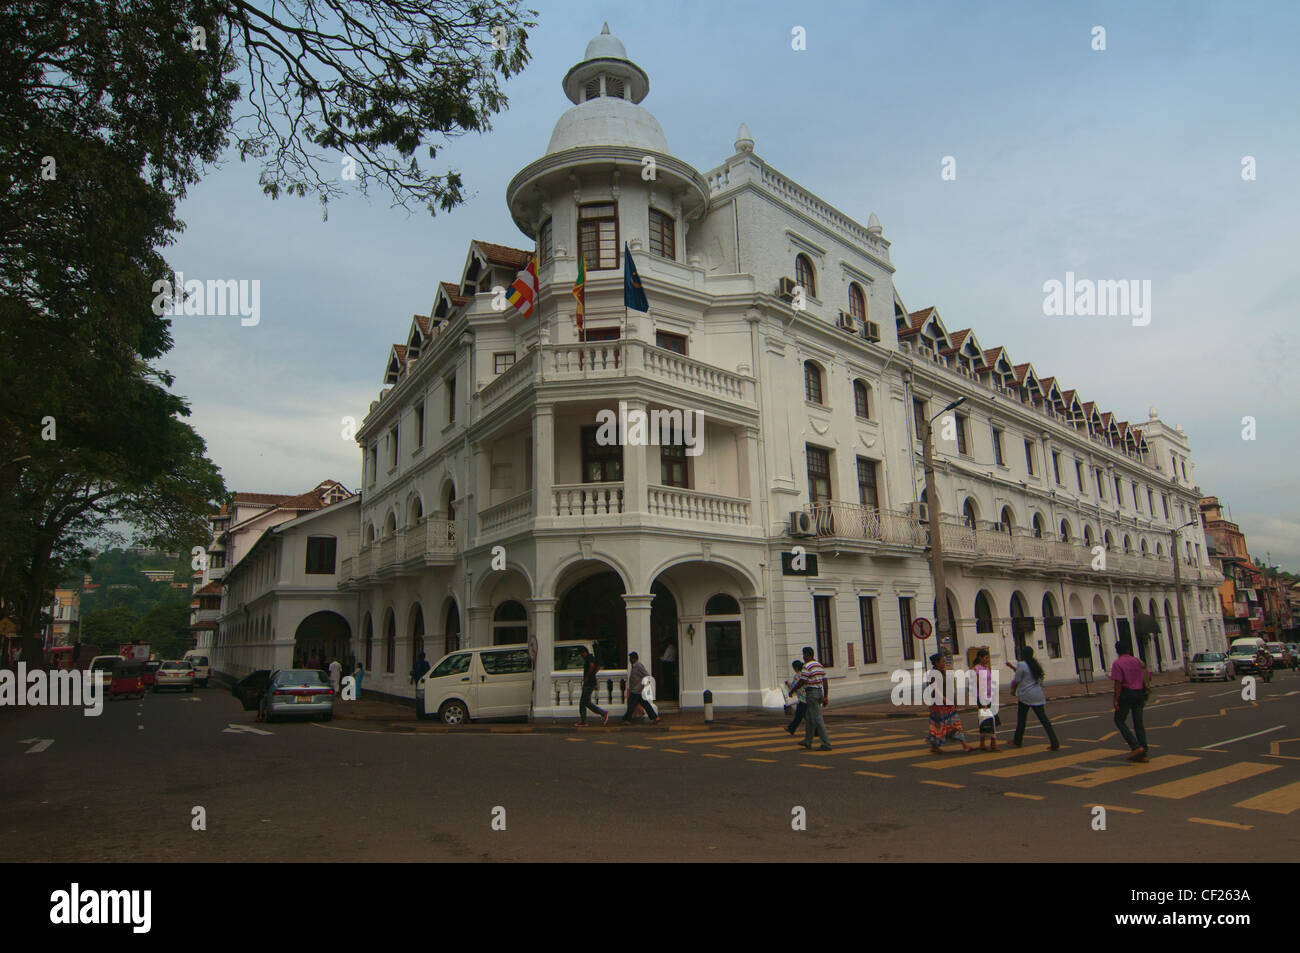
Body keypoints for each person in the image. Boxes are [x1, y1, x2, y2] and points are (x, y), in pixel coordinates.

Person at [1007, 645, 1059, 750]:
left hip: (1026, 696)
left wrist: (1013, 690)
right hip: (1037, 695)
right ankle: (1054, 742)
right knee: (1044, 720)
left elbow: (1017, 680)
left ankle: (1017, 741)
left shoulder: (1022, 664)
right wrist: (1012, 667)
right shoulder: (1035, 665)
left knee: (1021, 720)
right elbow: (1026, 675)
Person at [926, 653, 972, 754]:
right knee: (939, 726)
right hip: (938, 705)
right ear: (937, 663)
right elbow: (934, 688)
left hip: (948, 704)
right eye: (943, 661)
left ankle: (965, 744)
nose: (945, 663)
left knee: (955, 723)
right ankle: (935, 746)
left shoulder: (943, 672)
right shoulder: (933, 674)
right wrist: (943, 698)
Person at [1110, 638, 1148, 762]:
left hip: (1127, 694)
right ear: (1128, 649)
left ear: (1117, 651)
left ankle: (1135, 746)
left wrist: (1115, 699)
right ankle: (1143, 751)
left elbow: (1118, 684)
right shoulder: (1137, 661)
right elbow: (1148, 676)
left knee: (1119, 720)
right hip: (1140, 693)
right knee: (1139, 723)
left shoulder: (1118, 663)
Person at [788, 646, 831, 750]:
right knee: (809, 717)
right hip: (819, 692)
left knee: (817, 718)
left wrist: (792, 690)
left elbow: (802, 681)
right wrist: (825, 696)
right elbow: (824, 681)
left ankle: (826, 743)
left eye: (804, 654)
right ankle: (808, 740)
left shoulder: (807, 666)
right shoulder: (819, 665)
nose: (803, 657)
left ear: (807, 655)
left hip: (811, 693)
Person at [575, 646, 610, 726]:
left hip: (589, 683)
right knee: (587, 702)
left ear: (584, 652)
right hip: (592, 682)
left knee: (582, 703)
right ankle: (603, 713)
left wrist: (588, 676)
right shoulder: (592, 657)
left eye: (581, 654)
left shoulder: (588, 658)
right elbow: (597, 667)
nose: (581, 656)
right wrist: (593, 674)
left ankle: (584, 721)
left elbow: (592, 666)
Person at [973, 648, 999, 751]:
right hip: (983, 698)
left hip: (990, 697)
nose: (987, 660)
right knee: (987, 720)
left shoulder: (986, 668)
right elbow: (979, 685)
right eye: (986, 658)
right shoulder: (977, 669)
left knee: (989, 720)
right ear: (980, 658)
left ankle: (983, 743)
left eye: (988, 658)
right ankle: (993, 744)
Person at [623, 651, 659, 724]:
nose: (629, 660)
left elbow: (647, 675)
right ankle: (655, 717)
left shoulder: (639, 666)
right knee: (645, 705)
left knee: (631, 705)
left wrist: (643, 685)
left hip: (636, 690)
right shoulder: (634, 666)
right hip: (636, 691)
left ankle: (627, 719)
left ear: (633, 659)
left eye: (630, 658)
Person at [785, 660, 807, 735]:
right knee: (803, 715)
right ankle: (791, 728)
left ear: (796, 668)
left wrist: (788, 684)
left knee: (800, 715)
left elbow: (794, 686)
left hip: (802, 698)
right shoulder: (804, 674)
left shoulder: (797, 676)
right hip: (806, 697)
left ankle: (791, 728)